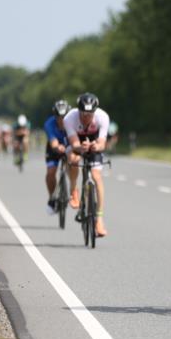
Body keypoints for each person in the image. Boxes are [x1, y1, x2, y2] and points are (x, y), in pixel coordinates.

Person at [64, 93, 110, 237]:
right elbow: (73, 143)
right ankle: (73, 190)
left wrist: (96, 146)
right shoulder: (69, 118)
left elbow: (102, 143)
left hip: (94, 142)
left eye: (90, 114)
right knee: (73, 159)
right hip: (77, 143)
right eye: (83, 114)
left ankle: (100, 219)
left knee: (96, 176)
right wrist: (80, 148)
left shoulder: (103, 117)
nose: (86, 117)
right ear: (78, 110)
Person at [43, 100, 70, 214]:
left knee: (72, 165)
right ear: (55, 116)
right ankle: (52, 197)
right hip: (54, 148)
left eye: (64, 116)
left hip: (69, 146)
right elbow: (53, 142)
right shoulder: (49, 124)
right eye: (59, 117)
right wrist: (58, 147)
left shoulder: (73, 122)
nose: (62, 119)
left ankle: (73, 190)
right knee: (51, 173)